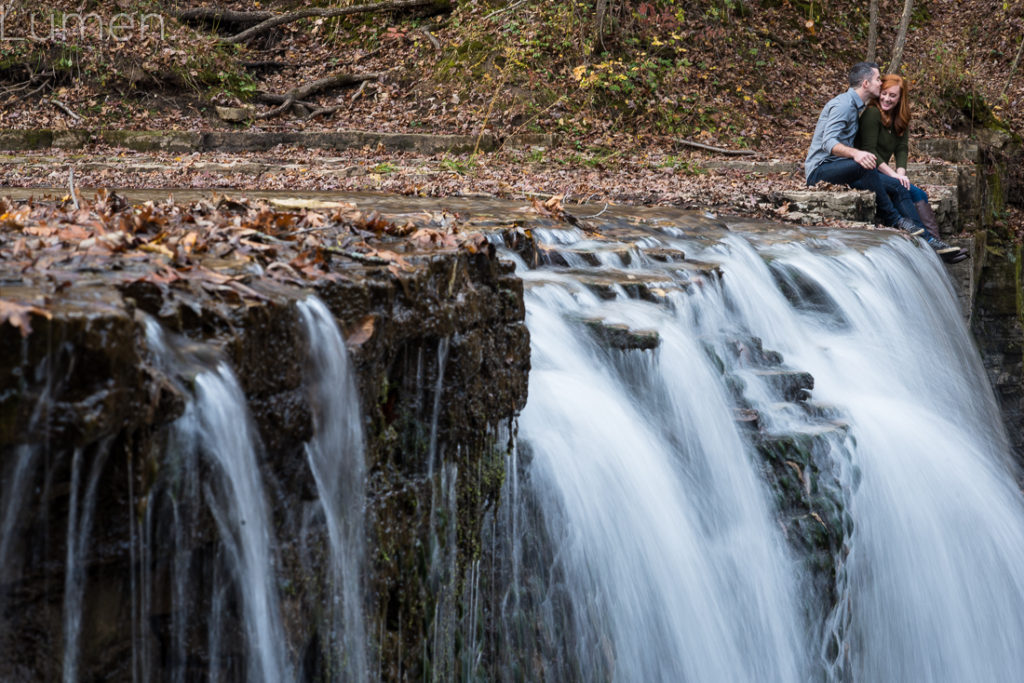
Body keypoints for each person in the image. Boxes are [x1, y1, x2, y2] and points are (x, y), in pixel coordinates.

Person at [804, 62, 966, 264]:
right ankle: (895, 219)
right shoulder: (844, 105)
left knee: (898, 186)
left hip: (842, 169)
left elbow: (901, 148)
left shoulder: (857, 107)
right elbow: (828, 143)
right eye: (878, 79)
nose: (881, 83)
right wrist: (856, 154)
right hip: (821, 169)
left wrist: (897, 172)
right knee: (864, 165)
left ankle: (928, 241)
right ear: (865, 83)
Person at [855, 73, 967, 262]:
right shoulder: (872, 113)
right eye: (884, 94)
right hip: (864, 170)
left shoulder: (900, 117)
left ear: (900, 98)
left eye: (892, 96)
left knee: (919, 194)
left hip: (881, 171)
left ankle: (937, 244)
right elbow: (869, 150)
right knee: (902, 189)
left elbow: (902, 148)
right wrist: (893, 175)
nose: (886, 99)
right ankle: (930, 243)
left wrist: (901, 172)